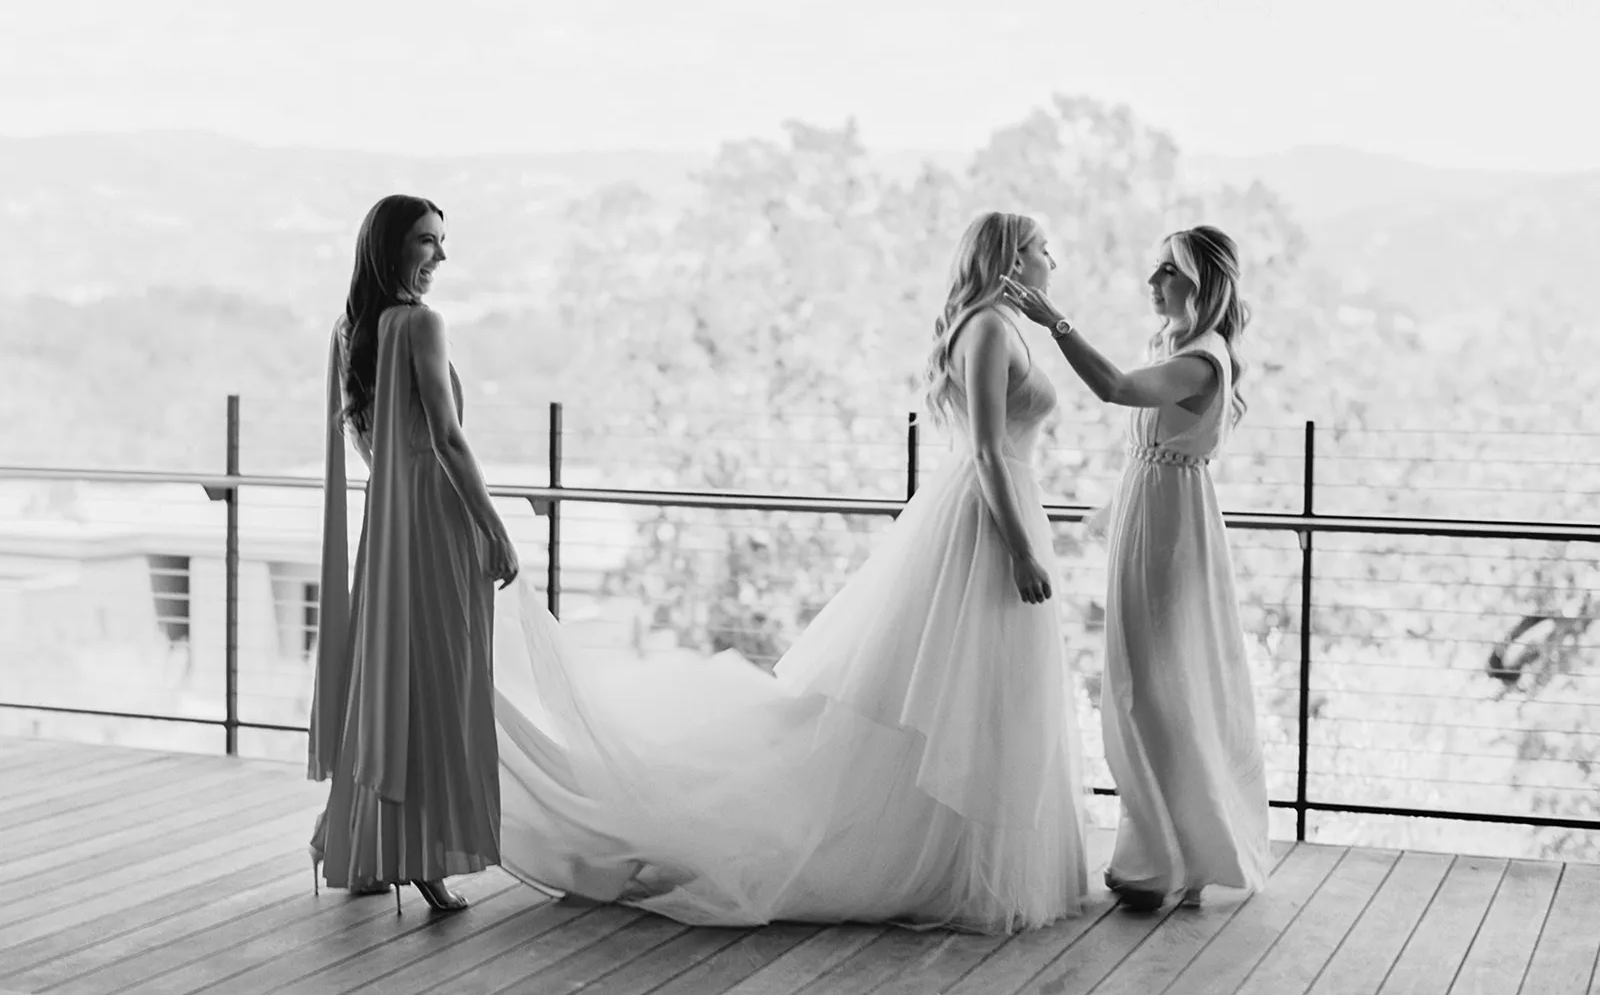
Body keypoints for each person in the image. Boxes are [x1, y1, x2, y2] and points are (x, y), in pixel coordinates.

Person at [492, 210, 1088, 933]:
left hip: (994, 510)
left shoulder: (997, 325)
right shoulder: (990, 330)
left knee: (980, 691)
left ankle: (964, 858)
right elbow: (991, 450)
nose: (1051, 260)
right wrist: (1023, 547)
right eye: (1041, 250)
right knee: (963, 689)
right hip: (992, 521)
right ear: (1012, 260)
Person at [1002, 223, 1270, 911]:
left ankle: (1174, 859)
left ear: (1200, 283)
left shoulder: (1205, 360)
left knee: (1158, 687)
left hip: (1172, 529)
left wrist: (1054, 323)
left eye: (1167, 272)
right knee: (1142, 682)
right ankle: (1164, 852)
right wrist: (1110, 509)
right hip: (1151, 512)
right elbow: (1155, 444)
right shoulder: (1179, 347)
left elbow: (1117, 388)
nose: (1153, 283)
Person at [308, 194, 520, 912]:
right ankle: (420, 853)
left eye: (441, 242)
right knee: (437, 684)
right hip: (435, 518)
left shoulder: (349, 332)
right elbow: (448, 437)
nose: (440, 257)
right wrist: (492, 525)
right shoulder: (421, 324)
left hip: (387, 519)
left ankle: (363, 846)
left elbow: (364, 441)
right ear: (391, 246)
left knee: (386, 681)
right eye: (428, 241)